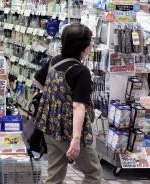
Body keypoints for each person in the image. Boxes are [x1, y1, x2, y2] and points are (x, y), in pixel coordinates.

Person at [33, 23, 101, 184]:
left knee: (55, 175)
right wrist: (76, 139)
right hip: (70, 132)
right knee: (93, 173)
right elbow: (78, 106)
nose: (91, 45)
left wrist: (55, 96)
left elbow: (37, 80)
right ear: (82, 47)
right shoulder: (81, 71)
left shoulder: (54, 61)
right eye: (90, 42)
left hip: (50, 126)